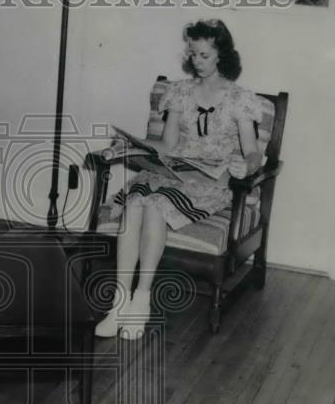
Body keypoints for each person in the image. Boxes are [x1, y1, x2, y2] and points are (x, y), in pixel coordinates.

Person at [96, 18, 265, 340]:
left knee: (155, 206)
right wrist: (131, 146)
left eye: (204, 55)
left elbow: (252, 150)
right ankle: (119, 303)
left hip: (211, 181)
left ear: (221, 55)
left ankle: (141, 301)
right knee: (134, 204)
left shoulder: (240, 98)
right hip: (172, 172)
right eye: (193, 54)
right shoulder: (178, 92)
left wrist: (248, 165)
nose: (196, 62)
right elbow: (168, 145)